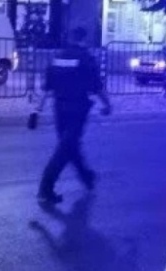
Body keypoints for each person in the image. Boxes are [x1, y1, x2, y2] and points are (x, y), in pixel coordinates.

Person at [36, 26, 112, 205]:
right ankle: (45, 188)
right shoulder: (86, 58)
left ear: (70, 38)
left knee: (69, 145)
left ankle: (86, 176)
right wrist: (107, 105)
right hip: (77, 109)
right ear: (84, 38)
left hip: (59, 108)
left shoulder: (58, 57)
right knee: (65, 148)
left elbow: (47, 88)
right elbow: (97, 86)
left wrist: (37, 110)